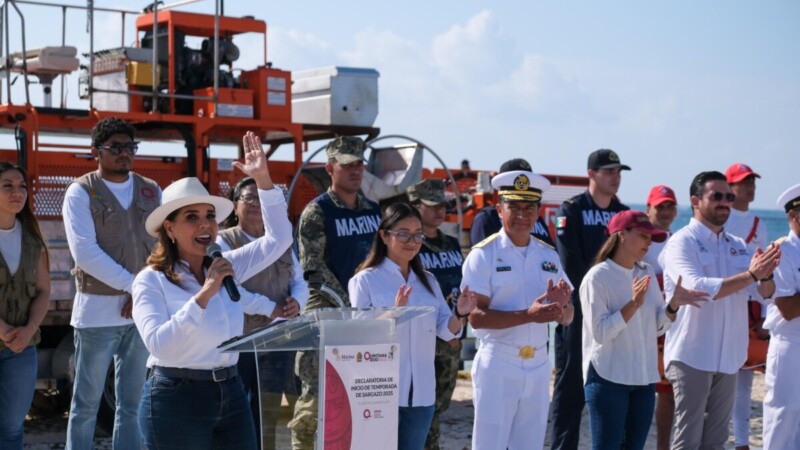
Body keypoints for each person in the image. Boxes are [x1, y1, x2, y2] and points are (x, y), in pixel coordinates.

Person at [132, 131, 297, 448]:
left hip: (231, 392)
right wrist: (204, 294)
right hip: (176, 397)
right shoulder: (150, 280)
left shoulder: (226, 264)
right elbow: (160, 345)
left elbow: (280, 240)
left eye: (210, 216)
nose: (205, 225)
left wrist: (263, 180)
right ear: (169, 227)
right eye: (191, 218)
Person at [661, 171, 780, 450]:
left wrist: (766, 276)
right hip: (691, 355)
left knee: (715, 442)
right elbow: (698, 288)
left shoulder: (738, 246)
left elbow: (764, 295)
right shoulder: (681, 242)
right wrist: (752, 275)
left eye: (728, 196)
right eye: (716, 196)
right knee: (687, 440)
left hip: (728, 358)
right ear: (695, 200)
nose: (725, 202)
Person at [62, 117, 161, 450]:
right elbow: (85, 253)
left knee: (132, 406)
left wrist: (144, 293)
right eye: (115, 147)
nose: (124, 153)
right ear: (96, 152)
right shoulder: (80, 192)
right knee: (85, 406)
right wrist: (137, 287)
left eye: (129, 147)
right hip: (96, 316)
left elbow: (163, 247)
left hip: (140, 316)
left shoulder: (151, 189)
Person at [349, 202, 476, 450]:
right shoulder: (365, 280)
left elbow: (444, 329)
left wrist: (460, 312)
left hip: (422, 395)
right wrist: (394, 313)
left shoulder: (427, 280)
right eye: (403, 233)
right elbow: (359, 335)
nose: (412, 241)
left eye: (418, 234)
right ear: (384, 236)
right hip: (381, 393)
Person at [462, 168, 574, 449]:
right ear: (499, 210)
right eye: (514, 207)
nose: (522, 215)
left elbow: (569, 314)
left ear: (538, 212)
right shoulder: (483, 255)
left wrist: (562, 310)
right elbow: (475, 318)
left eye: (529, 208)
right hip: (499, 363)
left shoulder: (548, 255)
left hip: (537, 366)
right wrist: (529, 316)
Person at [580, 210, 707, 450]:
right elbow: (601, 333)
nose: (649, 242)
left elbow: (657, 327)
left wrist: (673, 306)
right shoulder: (597, 278)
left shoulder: (646, 271)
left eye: (652, 237)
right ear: (621, 235)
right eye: (643, 235)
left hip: (644, 380)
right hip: (608, 378)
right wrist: (633, 305)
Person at [290, 136, 382, 449]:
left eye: (360, 163)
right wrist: (350, 304)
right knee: (315, 403)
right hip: (326, 316)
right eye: (347, 164)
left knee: (361, 398)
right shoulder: (318, 212)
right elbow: (313, 269)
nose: (356, 170)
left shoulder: (374, 211)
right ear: (331, 168)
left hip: (366, 318)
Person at [217, 176, 307, 450]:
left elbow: (299, 280)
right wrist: (270, 308)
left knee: (272, 409)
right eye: (249, 198)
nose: (256, 204)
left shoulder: (281, 241)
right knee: (240, 409)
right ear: (235, 206)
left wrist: (298, 304)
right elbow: (227, 289)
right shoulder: (223, 242)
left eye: (260, 198)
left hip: (279, 339)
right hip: (241, 340)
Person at [550, 148, 630, 450]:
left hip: (616, 311)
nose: (615, 178)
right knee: (571, 386)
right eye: (609, 171)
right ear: (591, 174)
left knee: (614, 384)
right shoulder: (571, 210)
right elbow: (570, 264)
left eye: (618, 172)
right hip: (580, 312)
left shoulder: (622, 214)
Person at [406, 179, 464, 450]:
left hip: (450, 335)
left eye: (443, 205)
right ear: (415, 206)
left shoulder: (451, 243)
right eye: (433, 205)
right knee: (420, 406)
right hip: (422, 338)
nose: (440, 210)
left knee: (440, 404)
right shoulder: (410, 248)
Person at [0, 162, 51, 449]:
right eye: (7, 185)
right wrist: (5, 330)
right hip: (9, 337)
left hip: (21, 349)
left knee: (11, 428)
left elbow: (44, 290)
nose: (17, 192)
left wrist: (28, 329)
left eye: (21, 186)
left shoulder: (33, 238)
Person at [724, 162, 770, 450]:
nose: (750, 186)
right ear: (730, 187)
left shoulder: (759, 224)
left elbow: (766, 273)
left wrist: (764, 314)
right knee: (717, 377)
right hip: (722, 304)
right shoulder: (720, 220)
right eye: (744, 182)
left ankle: (741, 441)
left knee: (743, 380)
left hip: (749, 307)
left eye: (752, 181)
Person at [762, 183, 800, 449]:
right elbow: (787, 308)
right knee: (782, 418)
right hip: (791, 346)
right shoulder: (780, 252)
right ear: (794, 216)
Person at [642, 184, 679, 450]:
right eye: (660, 206)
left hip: (670, 326)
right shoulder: (640, 240)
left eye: (670, 206)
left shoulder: (679, 241)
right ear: (648, 209)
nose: (665, 211)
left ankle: (662, 447)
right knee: (640, 391)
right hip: (640, 327)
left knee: (668, 395)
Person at [470, 158, 554, 247]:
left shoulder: (538, 219)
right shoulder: (487, 218)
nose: (522, 215)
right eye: (514, 206)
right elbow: (485, 253)